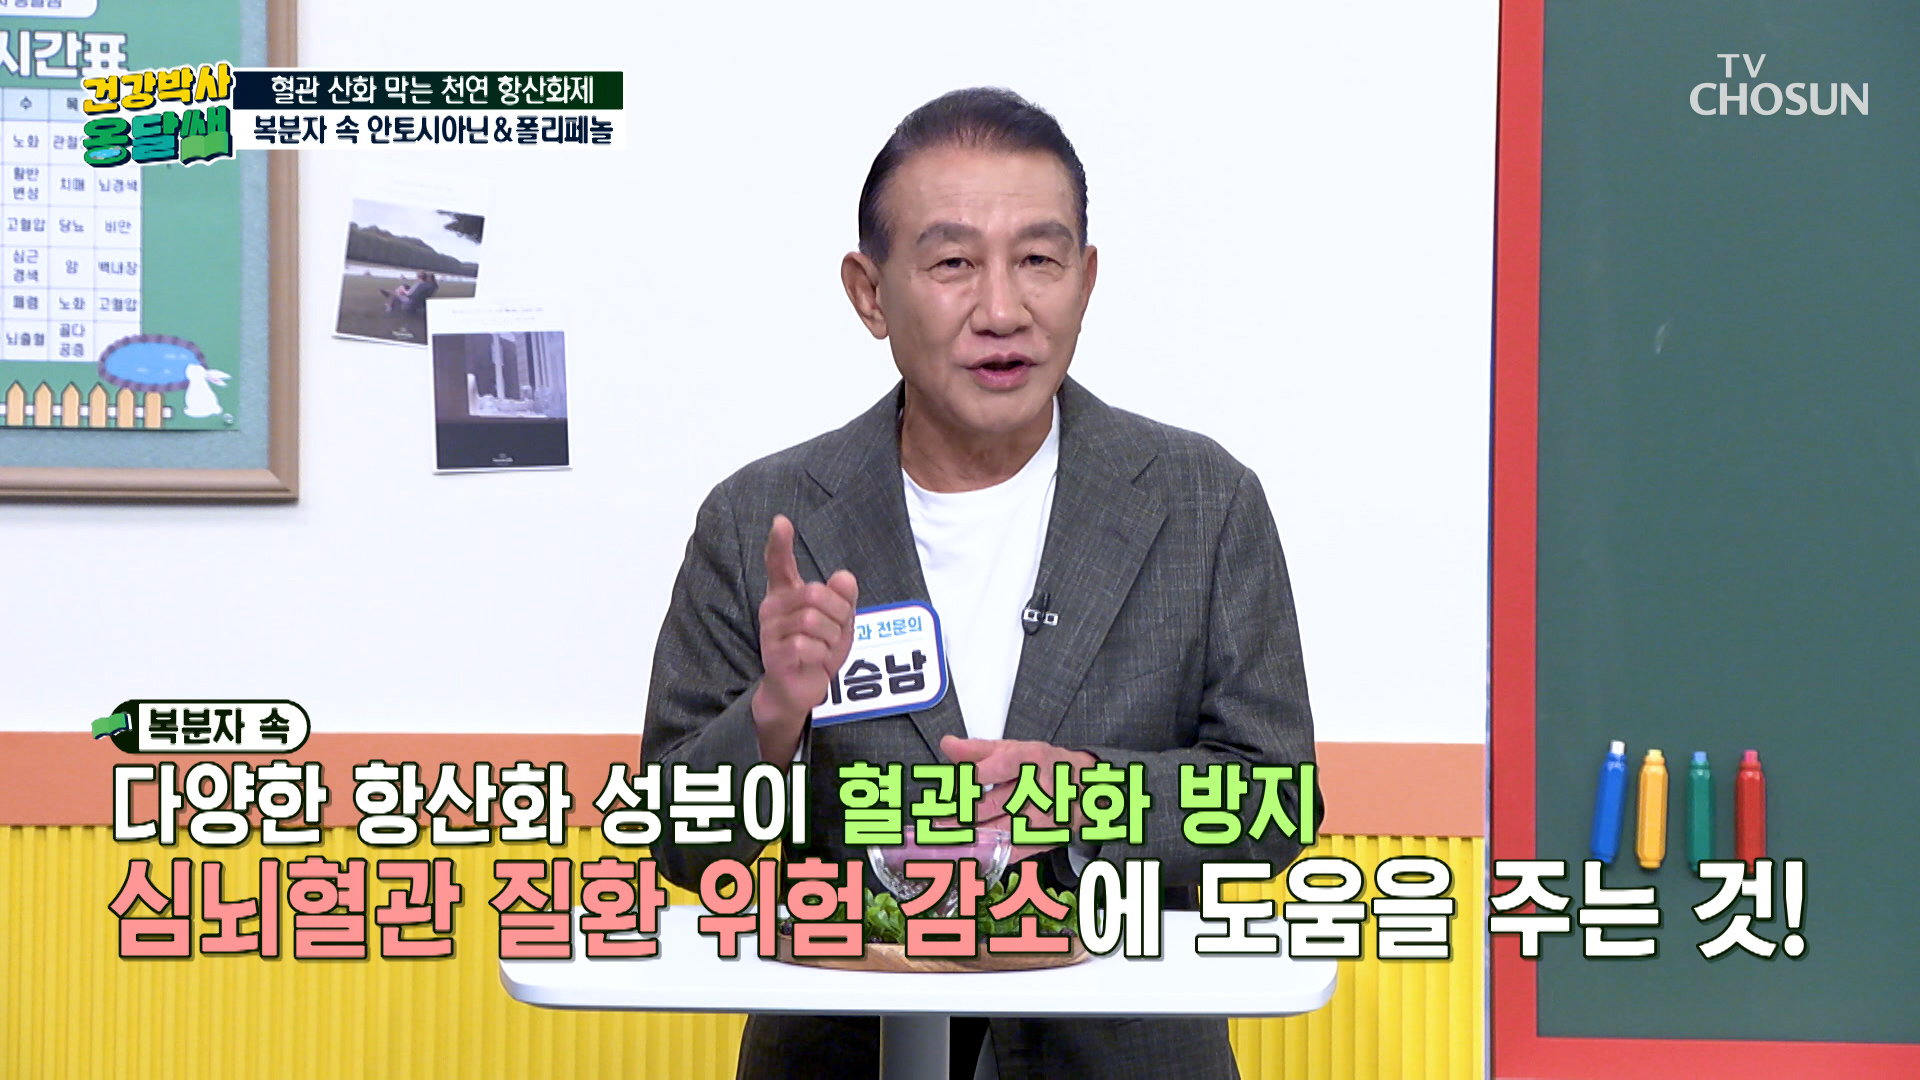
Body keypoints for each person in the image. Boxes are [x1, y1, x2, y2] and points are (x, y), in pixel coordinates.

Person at [641, 87, 1319, 1080]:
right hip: (846, 1054)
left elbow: (1277, 803)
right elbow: (675, 840)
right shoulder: (761, 520)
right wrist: (773, 715)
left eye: (1039, 260)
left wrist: (1084, 796)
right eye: (953, 263)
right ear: (870, 294)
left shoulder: (1202, 502)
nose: (1003, 310)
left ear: (1085, 280)